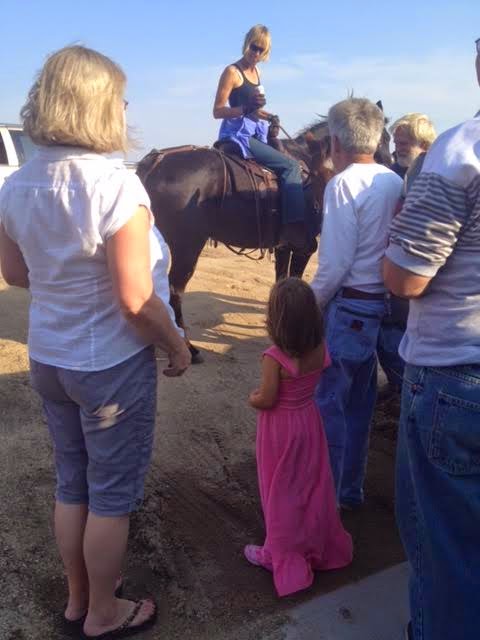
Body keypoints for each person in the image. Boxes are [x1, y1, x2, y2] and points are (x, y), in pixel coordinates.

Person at [0, 45, 191, 639]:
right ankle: (104, 613)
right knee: (110, 495)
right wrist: (177, 344)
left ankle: (79, 598)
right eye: (121, 99)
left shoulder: (16, 184)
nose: (126, 109)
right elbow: (136, 301)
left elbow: (16, 275)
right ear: (100, 106)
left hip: (49, 356)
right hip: (107, 364)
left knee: (72, 481)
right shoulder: (115, 186)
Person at [383, 39, 480, 640]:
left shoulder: (461, 149)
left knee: (446, 551)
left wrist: (396, 244)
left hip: (456, 375)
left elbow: (405, 279)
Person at [311, 98, 403, 509]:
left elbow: (334, 263)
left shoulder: (342, 184)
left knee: (328, 404)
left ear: (334, 142)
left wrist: (310, 306)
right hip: (380, 307)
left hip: (349, 308)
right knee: (359, 407)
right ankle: (349, 491)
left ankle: (325, 500)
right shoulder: (392, 180)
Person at [246, 277, 352, 597]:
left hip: (280, 430)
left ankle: (278, 553)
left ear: (276, 320)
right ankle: (315, 542)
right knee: (312, 485)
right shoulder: (320, 348)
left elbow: (267, 399)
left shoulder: (274, 357)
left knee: (280, 490)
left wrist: (252, 398)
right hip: (309, 421)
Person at [213, 25, 306, 248]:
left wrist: (270, 116)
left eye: (261, 50)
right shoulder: (232, 72)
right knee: (291, 167)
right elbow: (217, 111)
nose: (256, 53)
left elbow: (255, 111)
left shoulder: (257, 73)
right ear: (247, 44)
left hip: (255, 130)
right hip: (237, 135)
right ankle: (292, 228)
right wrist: (245, 109)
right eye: (254, 47)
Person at [377, 113, 437, 398]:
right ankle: (398, 385)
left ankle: (406, 390)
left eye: (405, 143)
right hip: (393, 263)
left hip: (418, 269)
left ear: (424, 144)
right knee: (390, 331)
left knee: (394, 330)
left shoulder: (433, 179)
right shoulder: (393, 174)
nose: (397, 148)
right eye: (397, 142)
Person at [390, 113, 436, 179]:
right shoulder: (390, 175)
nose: (398, 149)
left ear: (424, 145)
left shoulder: (436, 175)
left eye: (403, 144)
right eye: (396, 144)